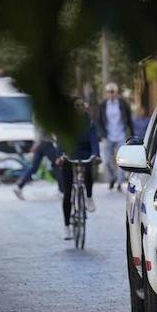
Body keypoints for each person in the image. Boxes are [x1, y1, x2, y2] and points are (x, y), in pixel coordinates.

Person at [57, 98, 100, 240]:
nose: (81, 108)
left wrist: (96, 155)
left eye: (83, 105)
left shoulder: (90, 123)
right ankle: (66, 226)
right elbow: (61, 142)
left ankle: (88, 196)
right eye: (78, 105)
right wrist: (60, 156)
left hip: (85, 154)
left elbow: (94, 140)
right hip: (68, 156)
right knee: (67, 193)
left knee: (88, 171)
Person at [95, 82, 134, 190]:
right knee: (106, 160)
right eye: (109, 92)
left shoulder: (122, 104)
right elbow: (99, 121)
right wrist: (101, 134)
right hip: (108, 135)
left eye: (113, 92)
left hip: (121, 134)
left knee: (121, 159)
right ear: (106, 93)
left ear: (116, 93)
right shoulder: (103, 105)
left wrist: (132, 133)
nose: (111, 94)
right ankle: (112, 177)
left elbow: (129, 119)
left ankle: (120, 182)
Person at [13, 134, 62, 200]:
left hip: (39, 144)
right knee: (57, 164)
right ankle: (62, 190)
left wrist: (36, 143)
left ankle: (19, 186)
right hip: (46, 143)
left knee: (34, 168)